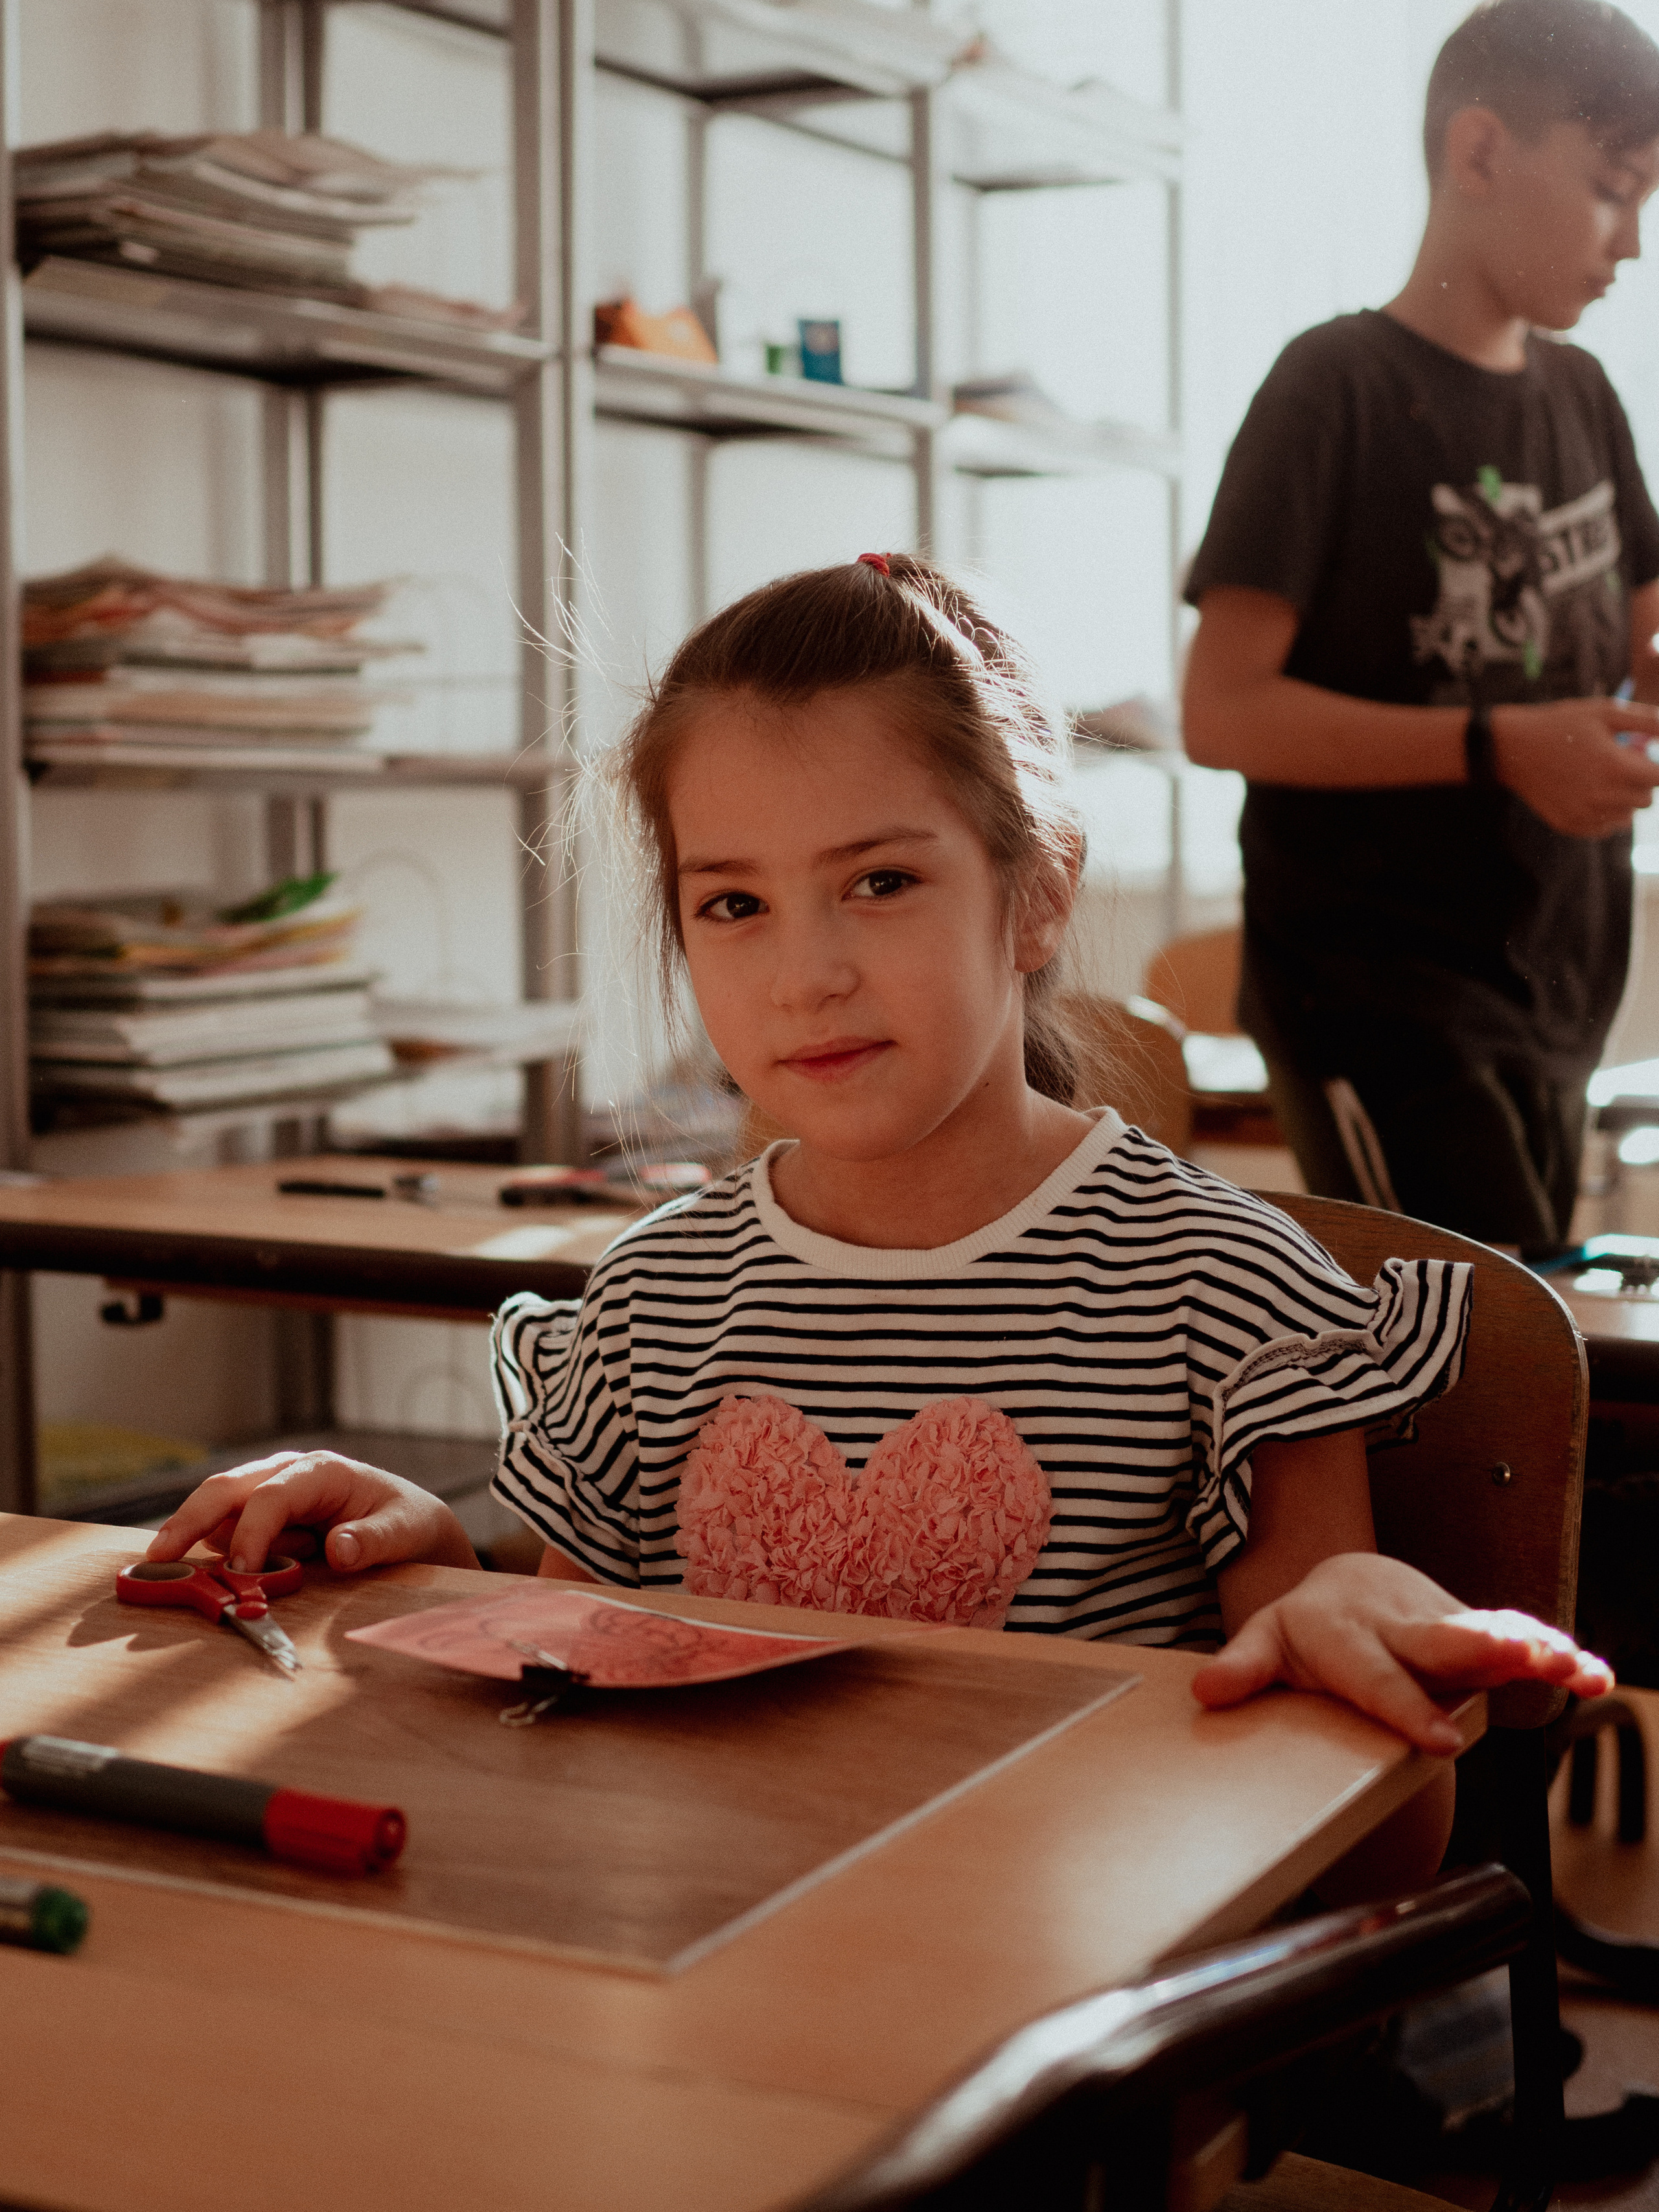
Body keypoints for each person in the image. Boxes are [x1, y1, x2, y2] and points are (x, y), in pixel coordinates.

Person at [148, 555, 1610, 1889]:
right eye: (732, 906)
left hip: (1044, 2027)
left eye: (880, 882)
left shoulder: (1220, 1291)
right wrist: (416, 1563)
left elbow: (1382, 1855)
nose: (807, 976)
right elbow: (567, 1713)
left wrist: (1342, 1649)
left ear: (1034, 897)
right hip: (695, 1977)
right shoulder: (653, 1297)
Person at [1183, 0, 1659, 1255]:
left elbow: (1641, 638)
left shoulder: (1585, 397)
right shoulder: (1328, 389)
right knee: (1469, 1402)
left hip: (1556, 986)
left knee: (1535, 1378)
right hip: (1371, 998)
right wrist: (1496, 745)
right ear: (1479, 152)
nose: (1631, 244)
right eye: (1613, 191)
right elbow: (1217, 709)